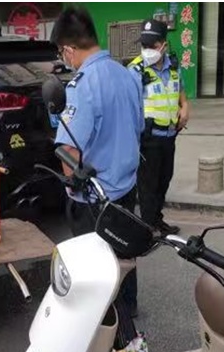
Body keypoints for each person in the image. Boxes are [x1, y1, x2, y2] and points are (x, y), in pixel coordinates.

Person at [50, 7, 144, 318]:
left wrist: (71, 185)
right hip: (126, 188)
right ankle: (127, 315)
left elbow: (68, 150)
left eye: (62, 53)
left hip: (95, 199)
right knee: (124, 254)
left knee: (96, 269)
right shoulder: (127, 75)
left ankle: (106, 324)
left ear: (68, 49)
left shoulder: (82, 86)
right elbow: (138, 128)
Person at [128, 19, 190, 235]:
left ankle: (156, 219)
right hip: (148, 139)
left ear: (163, 45)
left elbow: (182, 94)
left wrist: (185, 107)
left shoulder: (173, 66)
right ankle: (147, 227)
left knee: (164, 181)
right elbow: (128, 107)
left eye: (152, 45)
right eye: (144, 45)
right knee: (148, 185)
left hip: (170, 136)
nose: (147, 50)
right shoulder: (135, 71)